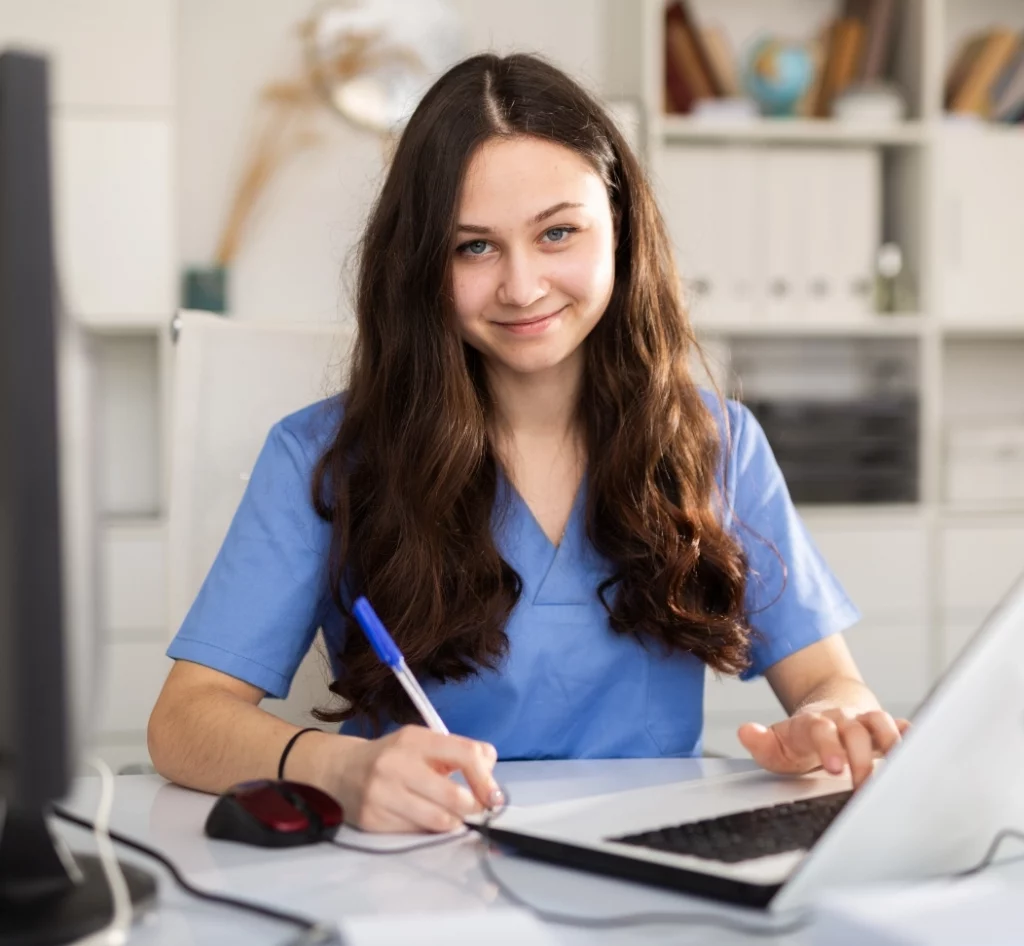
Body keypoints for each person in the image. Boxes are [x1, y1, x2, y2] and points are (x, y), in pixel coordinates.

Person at [148, 52, 908, 834]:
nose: (521, 286)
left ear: (620, 229)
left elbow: (828, 681)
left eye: (557, 233)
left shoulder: (718, 443)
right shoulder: (322, 457)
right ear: (419, 263)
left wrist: (832, 720)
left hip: (654, 869)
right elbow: (183, 722)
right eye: (473, 246)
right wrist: (339, 767)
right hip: (419, 869)